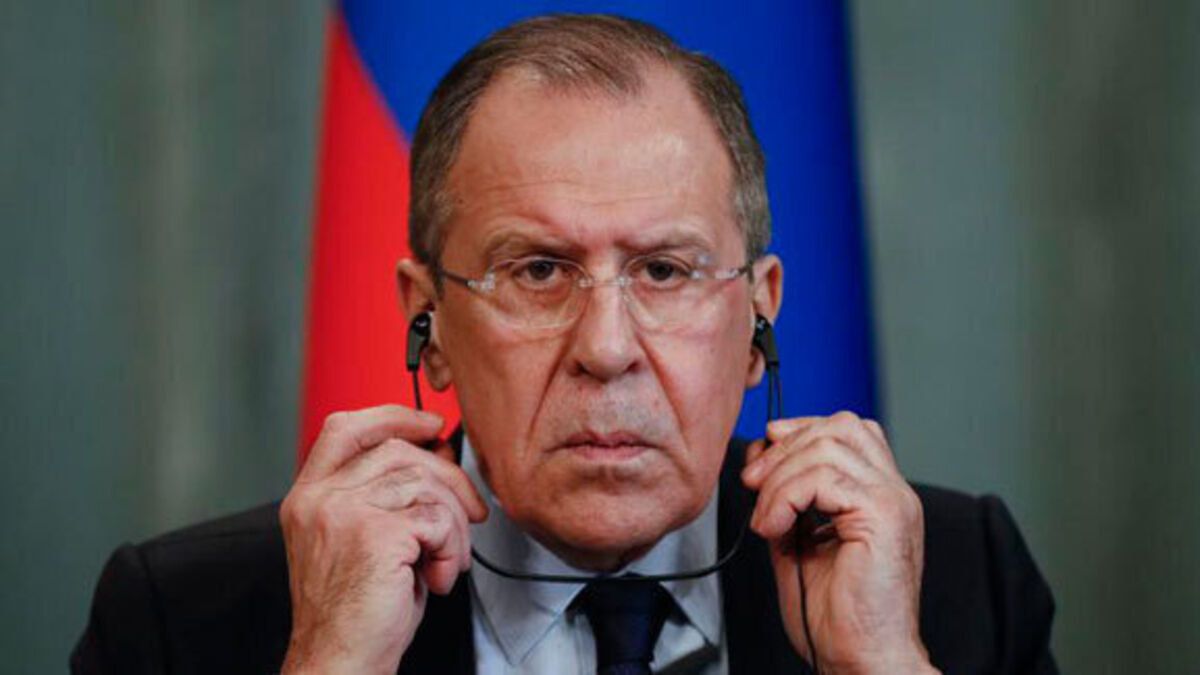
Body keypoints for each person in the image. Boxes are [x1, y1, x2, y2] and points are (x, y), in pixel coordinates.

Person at [72, 14, 1056, 675]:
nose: (608, 347)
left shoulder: (956, 581)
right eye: (539, 270)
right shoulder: (185, 618)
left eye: (664, 270)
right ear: (429, 322)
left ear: (758, 322)